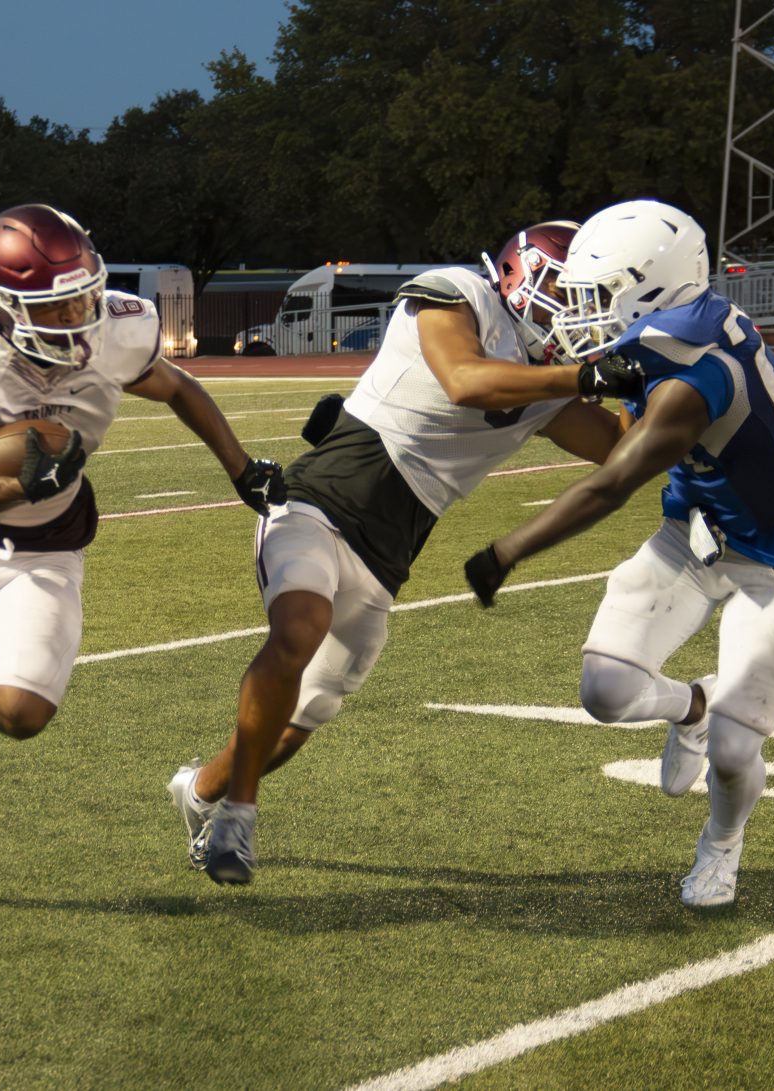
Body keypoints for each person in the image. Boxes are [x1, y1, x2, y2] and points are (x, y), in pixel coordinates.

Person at [0, 203, 286, 913]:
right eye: (57, 303)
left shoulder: (118, 330)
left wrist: (238, 467)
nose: (79, 316)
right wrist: (17, 481)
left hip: (47, 551)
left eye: (84, 294)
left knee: (28, 712)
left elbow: (179, 388)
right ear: (1, 306)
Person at [167, 221, 647, 885]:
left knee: (301, 719)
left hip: (391, 550)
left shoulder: (552, 381)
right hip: (321, 497)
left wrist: (659, 379)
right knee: (297, 627)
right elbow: (465, 380)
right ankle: (238, 820)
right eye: (575, 291)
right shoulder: (459, 294)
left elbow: (621, 450)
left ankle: (199, 789)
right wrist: (585, 377)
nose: (585, 312)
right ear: (522, 273)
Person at [465, 199, 774, 909]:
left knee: (735, 753)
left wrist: (507, 549)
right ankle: (691, 704)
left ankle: (722, 845)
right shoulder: (674, 326)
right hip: (696, 528)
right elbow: (616, 420)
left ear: (651, 287)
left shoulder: (694, 378)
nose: (584, 310)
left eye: (599, 294)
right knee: (605, 688)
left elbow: (611, 482)